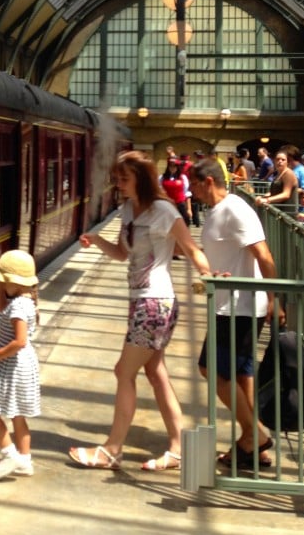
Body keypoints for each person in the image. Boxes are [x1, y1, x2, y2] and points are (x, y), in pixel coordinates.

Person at [68, 150, 211, 471]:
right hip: (141, 302)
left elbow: (191, 249)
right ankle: (179, 448)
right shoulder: (128, 209)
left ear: (141, 179)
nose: (118, 183)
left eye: (124, 178)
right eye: (117, 178)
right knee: (155, 372)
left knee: (124, 371)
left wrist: (210, 276)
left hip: (155, 302)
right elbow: (122, 253)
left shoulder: (163, 210)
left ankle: (112, 449)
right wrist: (97, 240)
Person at [189, 158, 282, 468]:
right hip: (230, 304)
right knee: (242, 376)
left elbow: (264, 255)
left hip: (239, 308)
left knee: (211, 369)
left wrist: (274, 298)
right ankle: (255, 446)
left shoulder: (235, 210)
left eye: (195, 183)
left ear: (208, 181)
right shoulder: (218, 211)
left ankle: (255, 435)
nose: (192, 190)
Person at [0, 250, 40, 480]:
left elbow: (20, 341)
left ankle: (9, 454)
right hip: (23, 365)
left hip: (11, 365)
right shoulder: (26, 300)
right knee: (18, 415)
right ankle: (25, 460)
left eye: (4, 280)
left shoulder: (18, 308)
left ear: (13, 282)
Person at [160, 157, 190, 225]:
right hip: (167, 205)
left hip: (180, 204)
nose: (173, 168)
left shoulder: (183, 177)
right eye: (171, 166)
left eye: (175, 166)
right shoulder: (162, 177)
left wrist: (189, 209)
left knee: (184, 223)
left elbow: (187, 194)